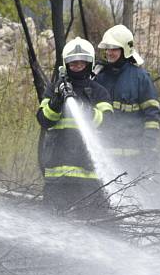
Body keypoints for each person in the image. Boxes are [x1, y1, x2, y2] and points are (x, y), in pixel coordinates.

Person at [36, 37, 113, 217]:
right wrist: (55, 103)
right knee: (53, 225)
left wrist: (83, 107)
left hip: (89, 179)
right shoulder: (54, 89)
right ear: (66, 64)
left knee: (93, 226)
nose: (77, 65)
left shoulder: (99, 92)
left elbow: (107, 123)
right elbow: (44, 120)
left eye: (81, 61)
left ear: (89, 63)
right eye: (73, 62)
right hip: (57, 178)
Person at [94, 25, 160, 174]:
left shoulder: (140, 77)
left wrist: (148, 149)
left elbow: (152, 117)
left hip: (133, 159)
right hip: (104, 157)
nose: (109, 53)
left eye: (114, 49)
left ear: (125, 50)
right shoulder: (99, 76)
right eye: (108, 49)